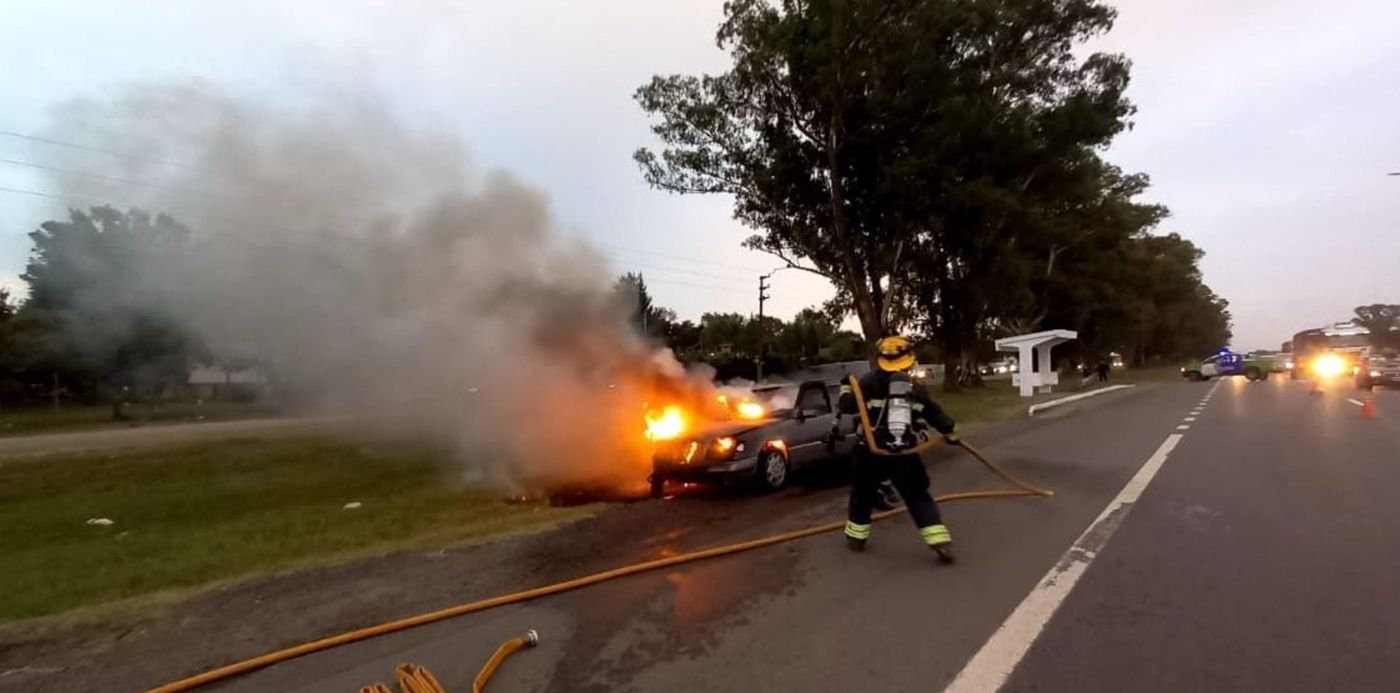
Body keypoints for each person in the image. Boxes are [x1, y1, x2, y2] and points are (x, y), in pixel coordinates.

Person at [838, 335, 959, 563]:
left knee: (862, 495)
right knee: (917, 495)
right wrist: (952, 434)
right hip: (903, 453)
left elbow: (846, 406)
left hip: (869, 452)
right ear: (908, 359)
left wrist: (845, 387)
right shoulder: (915, 388)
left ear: (880, 359)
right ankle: (940, 542)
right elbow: (936, 415)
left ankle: (856, 539)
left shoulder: (867, 382)